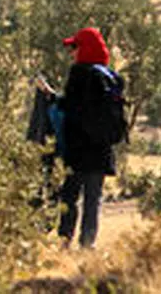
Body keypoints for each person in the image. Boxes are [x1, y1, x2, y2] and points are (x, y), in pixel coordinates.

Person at [39, 26, 124, 250]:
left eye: (75, 47)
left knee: (69, 197)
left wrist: (51, 96)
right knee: (92, 201)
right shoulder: (110, 77)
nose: (72, 53)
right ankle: (88, 245)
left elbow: (70, 107)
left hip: (77, 151)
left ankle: (64, 241)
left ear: (84, 48)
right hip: (102, 152)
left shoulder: (79, 74)